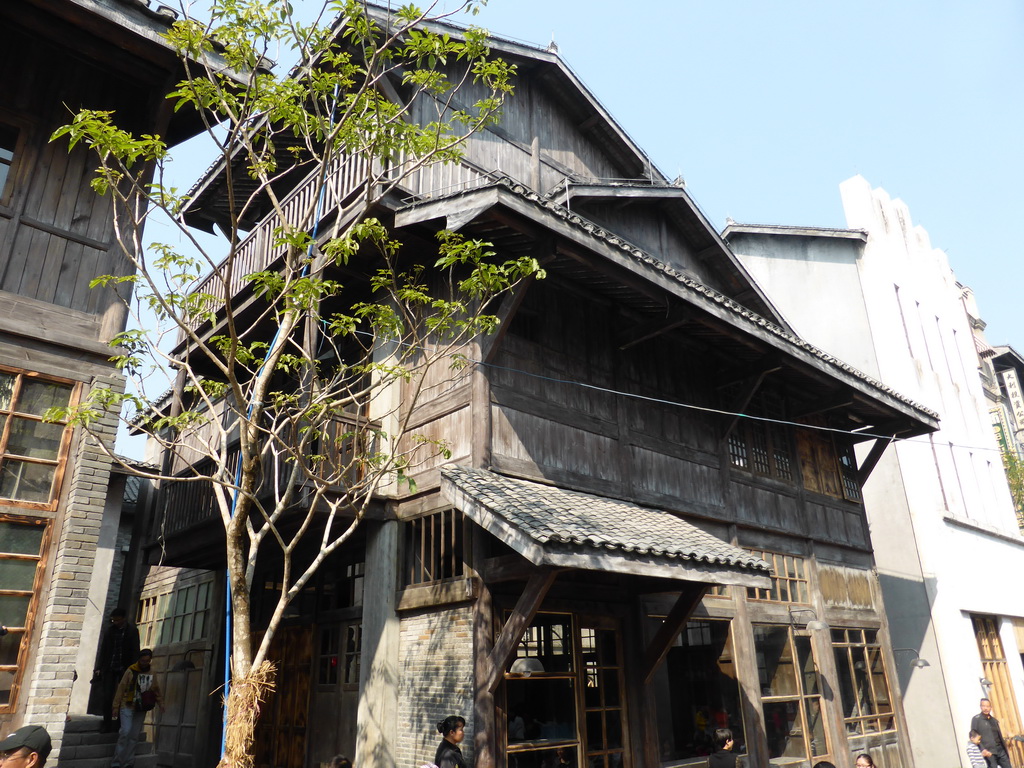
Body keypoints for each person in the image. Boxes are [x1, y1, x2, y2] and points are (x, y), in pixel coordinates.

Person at [112, 648, 162, 768]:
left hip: (141, 706)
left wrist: (161, 702)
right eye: (143, 660)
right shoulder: (130, 671)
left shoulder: (151, 673)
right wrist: (115, 706)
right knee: (125, 731)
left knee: (134, 735)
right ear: (139, 659)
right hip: (127, 704)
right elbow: (121, 688)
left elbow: (155, 688)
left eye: (147, 661)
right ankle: (117, 762)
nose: (145, 663)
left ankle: (129, 762)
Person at [94, 608, 140, 733]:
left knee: (123, 697)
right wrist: (99, 667)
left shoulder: (132, 631)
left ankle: (119, 724)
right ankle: (106, 723)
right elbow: (103, 650)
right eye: (113, 620)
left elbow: (135, 650)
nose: (115, 622)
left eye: (118, 620)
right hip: (110, 666)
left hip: (125, 668)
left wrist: (135, 669)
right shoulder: (109, 631)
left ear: (124, 619)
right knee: (107, 696)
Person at [972, 698, 1013, 768]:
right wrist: (982, 749)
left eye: (987, 706)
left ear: (991, 707)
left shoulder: (994, 720)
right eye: (983, 706)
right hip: (989, 751)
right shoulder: (976, 719)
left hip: (1000, 750)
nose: (986, 708)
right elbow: (974, 735)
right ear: (980, 707)